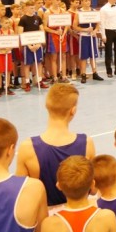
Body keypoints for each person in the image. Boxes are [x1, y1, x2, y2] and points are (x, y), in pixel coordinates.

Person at [16, 83, 96, 213]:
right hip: (80, 214)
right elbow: (93, 189)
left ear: (47, 106)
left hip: (47, 217)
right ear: (73, 110)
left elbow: (21, 194)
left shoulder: (27, 147)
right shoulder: (87, 143)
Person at [18, 2, 48, 91]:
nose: (33, 10)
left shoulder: (37, 18)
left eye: (34, 8)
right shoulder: (23, 19)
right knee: (27, 64)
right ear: (26, 8)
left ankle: (39, 81)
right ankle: (27, 82)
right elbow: (20, 33)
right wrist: (29, 45)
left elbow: (42, 31)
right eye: (31, 8)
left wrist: (39, 43)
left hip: (38, 44)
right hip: (28, 46)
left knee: (39, 63)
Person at [75, 0, 104, 83]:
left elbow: (98, 23)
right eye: (86, 1)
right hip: (84, 36)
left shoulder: (94, 11)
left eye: (89, 1)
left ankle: (95, 73)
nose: (88, 2)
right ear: (82, 2)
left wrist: (95, 31)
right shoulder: (78, 13)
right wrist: (85, 29)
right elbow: (74, 26)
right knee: (84, 57)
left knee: (93, 56)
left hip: (92, 36)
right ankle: (83, 74)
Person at [43, 0, 69, 83]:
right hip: (53, 36)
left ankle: (64, 76)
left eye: (59, 0)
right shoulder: (47, 12)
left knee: (63, 56)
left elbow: (67, 24)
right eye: (57, 0)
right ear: (52, 0)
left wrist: (64, 33)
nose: (58, 2)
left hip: (62, 35)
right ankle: (55, 77)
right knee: (54, 57)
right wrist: (55, 32)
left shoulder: (63, 11)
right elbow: (45, 27)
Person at [0, 17, 17, 96]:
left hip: (8, 53)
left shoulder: (11, 31)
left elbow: (14, 42)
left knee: (8, 71)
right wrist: (2, 50)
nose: (7, 24)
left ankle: (7, 87)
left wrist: (9, 49)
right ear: (1, 23)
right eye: (5, 23)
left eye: (8, 23)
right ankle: (0, 88)